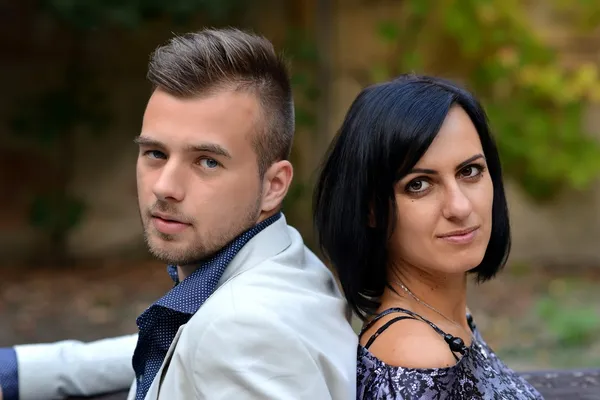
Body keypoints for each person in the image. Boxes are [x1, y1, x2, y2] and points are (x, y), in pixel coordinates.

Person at [0, 28, 357, 400]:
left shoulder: (243, 332)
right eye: (155, 153)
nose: (165, 186)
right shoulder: (286, 261)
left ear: (273, 186)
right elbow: (181, 343)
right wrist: (15, 373)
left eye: (207, 161)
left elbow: (224, 341)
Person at [313, 74, 544, 399]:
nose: (460, 206)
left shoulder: (449, 322)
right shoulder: (416, 353)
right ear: (371, 210)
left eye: (470, 171)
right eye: (419, 184)